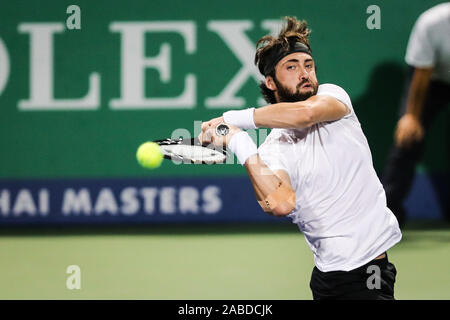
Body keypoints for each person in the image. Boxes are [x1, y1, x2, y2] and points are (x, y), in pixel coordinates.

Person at [199, 16, 402, 300]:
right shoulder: (273, 150)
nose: (304, 73)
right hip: (326, 281)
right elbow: (280, 204)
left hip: (369, 274)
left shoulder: (333, 98)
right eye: (291, 67)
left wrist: (231, 119)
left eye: (308, 65)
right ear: (270, 82)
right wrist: (239, 143)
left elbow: (304, 115)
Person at [382, 3, 450, 228]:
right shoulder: (432, 23)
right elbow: (422, 73)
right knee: (407, 138)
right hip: (430, 81)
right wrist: (412, 116)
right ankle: (387, 216)